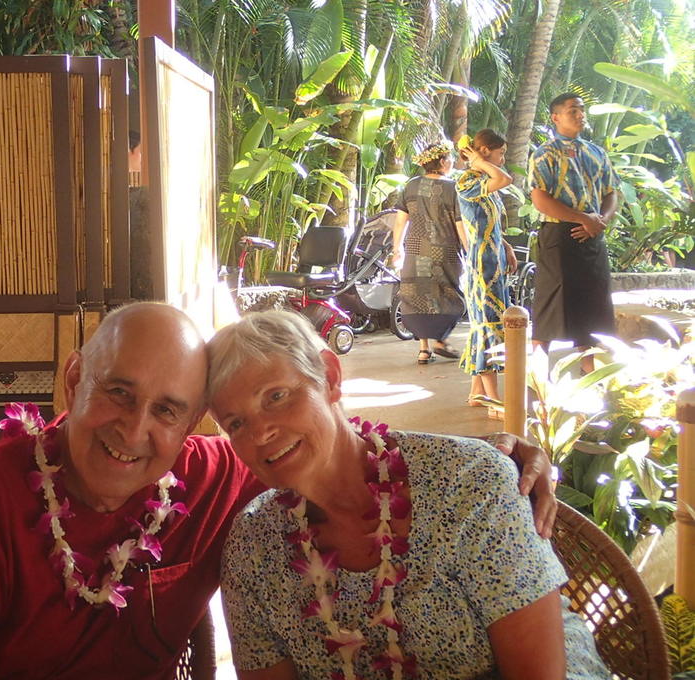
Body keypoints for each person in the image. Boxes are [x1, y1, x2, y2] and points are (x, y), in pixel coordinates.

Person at [0, 303, 554, 679]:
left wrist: (492, 455)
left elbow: (321, 446)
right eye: (116, 394)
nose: (133, 431)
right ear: (73, 382)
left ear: (191, 426)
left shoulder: (212, 474)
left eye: (167, 410)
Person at [209, 310, 610, 680]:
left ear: (330, 377)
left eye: (276, 396)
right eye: (236, 422)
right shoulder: (254, 546)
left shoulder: (467, 484)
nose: (260, 433)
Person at [529, 93, 619, 375]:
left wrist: (600, 220)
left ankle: (589, 374)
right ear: (556, 118)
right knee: (550, 304)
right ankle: (536, 378)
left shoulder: (597, 153)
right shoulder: (544, 153)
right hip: (559, 237)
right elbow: (540, 199)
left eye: (582, 110)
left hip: (593, 235)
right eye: (573, 111)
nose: (580, 115)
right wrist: (582, 218)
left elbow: (611, 192)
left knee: (594, 304)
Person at [455, 129, 518, 413]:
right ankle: (493, 399)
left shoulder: (483, 179)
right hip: (481, 262)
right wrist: (476, 162)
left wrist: (506, 246)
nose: (503, 158)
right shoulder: (468, 179)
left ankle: (477, 393)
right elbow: (505, 179)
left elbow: (487, 221)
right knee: (488, 323)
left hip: (494, 258)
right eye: (500, 153)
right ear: (484, 151)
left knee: (489, 321)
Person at [392, 141, 468, 365]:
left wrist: (396, 249)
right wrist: (470, 249)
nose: (453, 162)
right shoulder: (453, 187)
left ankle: (424, 349)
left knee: (418, 296)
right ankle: (441, 340)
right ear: (442, 162)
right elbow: (460, 222)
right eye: (450, 158)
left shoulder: (411, 185)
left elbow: (400, 220)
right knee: (448, 295)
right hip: (444, 250)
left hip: (415, 249)